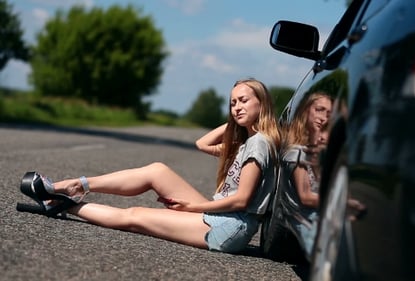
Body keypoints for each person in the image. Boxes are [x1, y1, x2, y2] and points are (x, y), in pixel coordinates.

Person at [16, 78, 280, 254]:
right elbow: (202, 143)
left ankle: (61, 202)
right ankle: (74, 185)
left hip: (229, 227)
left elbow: (241, 200)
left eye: (243, 101)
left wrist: (192, 208)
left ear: (262, 103)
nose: (236, 107)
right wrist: (236, 122)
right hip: (222, 217)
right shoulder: (248, 142)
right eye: (232, 103)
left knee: (135, 216)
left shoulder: (259, 144)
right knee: (157, 170)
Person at [279, 91, 333, 257]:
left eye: (329, 113)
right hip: (306, 220)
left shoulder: (318, 151)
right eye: (319, 109)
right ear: (306, 111)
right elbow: (306, 196)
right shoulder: (296, 151)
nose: (323, 117)